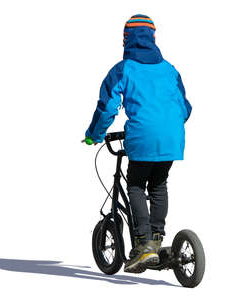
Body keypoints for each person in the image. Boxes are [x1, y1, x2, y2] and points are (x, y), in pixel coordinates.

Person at [82, 14, 192, 273]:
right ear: (153, 38)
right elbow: (185, 107)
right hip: (172, 137)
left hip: (143, 136)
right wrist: (168, 126)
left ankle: (142, 244)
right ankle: (157, 238)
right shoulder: (169, 69)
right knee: (158, 184)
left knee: (134, 184)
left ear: (126, 39)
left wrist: (94, 135)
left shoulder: (124, 69)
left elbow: (107, 106)